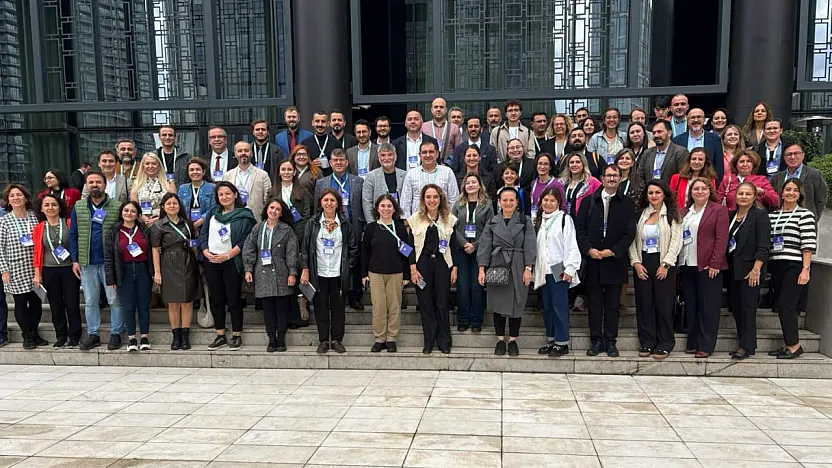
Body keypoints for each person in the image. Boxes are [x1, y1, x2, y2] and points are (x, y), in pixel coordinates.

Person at [575, 165, 636, 357]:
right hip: (593, 260)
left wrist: (613, 251)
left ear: (620, 179)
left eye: (615, 175)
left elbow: (629, 233)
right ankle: (596, 341)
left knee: (612, 305)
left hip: (614, 261)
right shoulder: (588, 202)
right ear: (601, 178)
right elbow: (580, 230)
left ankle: (610, 341)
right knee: (594, 303)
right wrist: (588, 249)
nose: (611, 178)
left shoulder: (627, 203)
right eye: (608, 175)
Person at [478, 186, 536, 356]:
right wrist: (482, 269)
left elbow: (530, 245)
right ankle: (500, 340)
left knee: (517, 304)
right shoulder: (493, 221)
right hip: (498, 265)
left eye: (512, 200)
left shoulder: (525, 221)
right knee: (498, 305)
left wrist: (528, 268)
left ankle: (513, 340)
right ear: (499, 202)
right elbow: (485, 246)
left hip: (518, 265)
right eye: (505, 200)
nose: (508, 203)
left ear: (517, 202)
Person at [198, 181, 256, 350]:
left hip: (232, 261)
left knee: (233, 299)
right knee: (216, 299)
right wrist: (206, 251)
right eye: (221, 194)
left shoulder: (244, 215)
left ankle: (237, 334)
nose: (224, 197)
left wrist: (228, 255)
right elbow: (203, 235)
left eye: (228, 194)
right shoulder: (212, 213)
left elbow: (247, 239)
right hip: (212, 261)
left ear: (235, 195)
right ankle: (220, 334)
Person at [628, 180, 683, 359]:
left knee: (663, 304)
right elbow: (632, 240)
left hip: (664, 264)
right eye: (650, 193)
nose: (653, 196)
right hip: (643, 262)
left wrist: (666, 263)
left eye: (657, 192)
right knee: (644, 304)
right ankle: (647, 342)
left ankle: (665, 342)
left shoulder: (672, 214)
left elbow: (676, 241)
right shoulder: (640, 215)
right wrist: (635, 262)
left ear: (664, 194)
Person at [301, 188, 359, 354]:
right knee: (320, 307)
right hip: (318, 272)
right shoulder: (313, 223)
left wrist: (348, 266)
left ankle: (337, 339)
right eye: (326, 200)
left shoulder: (345, 224)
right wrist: (305, 269)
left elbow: (353, 248)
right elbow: (305, 248)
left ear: (338, 204)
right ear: (321, 202)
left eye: (332, 200)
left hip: (338, 273)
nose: (329, 203)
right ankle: (323, 340)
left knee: (338, 307)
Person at [70, 170, 124, 350]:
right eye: (91, 182)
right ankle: (94, 334)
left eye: (98, 182)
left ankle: (116, 333)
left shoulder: (116, 206)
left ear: (105, 184)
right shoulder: (78, 206)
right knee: (91, 301)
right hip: (87, 262)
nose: (95, 185)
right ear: (86, 185)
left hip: (109, 262)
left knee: (114, 299)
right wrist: (75, 259)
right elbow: (73, 234)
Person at [678, 178, 729, 358]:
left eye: (703, 188)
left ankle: (706, 345)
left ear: (709, 191)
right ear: (691, 192)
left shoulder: (718, 210)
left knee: (708, 308)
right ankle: (693, 342)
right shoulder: (684, 212)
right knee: (691, 306)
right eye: (696, 189)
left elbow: (722, 239)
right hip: (687, 264)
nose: (699, 192)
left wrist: (715, 262)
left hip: (708, 266)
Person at [767, 179, 816, 359]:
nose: (791, 193)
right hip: (777, 265)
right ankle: (788, 344)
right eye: (788, 189)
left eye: (795, 190)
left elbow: (808, 244)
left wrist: (806, 269)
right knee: (782, 306)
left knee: (786, 306)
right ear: (781, 193)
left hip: (795, 266)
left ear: (800, 194)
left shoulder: (805, 215)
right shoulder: (773, 216)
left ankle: (795, 346)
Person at [243, 198, 299, 353]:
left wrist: (292, 272)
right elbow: (249, 248)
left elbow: (292, 253)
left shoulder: (287, 230)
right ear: (266, 209)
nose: (274, 211)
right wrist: (248, 268)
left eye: (278, 209)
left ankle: (281, 337)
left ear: (281, 213)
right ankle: (271, 338)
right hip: (262, 271)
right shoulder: (258, 228)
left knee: (281, 307)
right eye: (272, 208)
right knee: (267, 308)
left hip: (281, 271)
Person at [361, 194, 414, 352]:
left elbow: (406, 252)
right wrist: (364, 274)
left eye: (389, 206)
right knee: (378, 307)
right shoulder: (371, 228)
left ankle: (391, 338)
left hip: (396, 272)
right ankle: (379, 338)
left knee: (394, 306)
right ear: (377, 208)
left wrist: (406, 275)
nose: (386, 209)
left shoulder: (399, 227)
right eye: (383, 206)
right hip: (375, 273)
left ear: (394, 209)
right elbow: (365, 252)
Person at [314, 148, 366, 310]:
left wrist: (363, 226)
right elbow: (317, 206)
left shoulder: (358, 181)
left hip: (352, 224)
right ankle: (336, 296)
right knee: (334, 261)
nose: (338, 163)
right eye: (335, 160)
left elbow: (363, 206)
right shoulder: (321, 183)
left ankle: (355, 296)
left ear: (347, 162)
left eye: (341, 160)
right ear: (330, 163)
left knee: (354, 260)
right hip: (330, 227)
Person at [408, 184, 457, 354]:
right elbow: (409, 248)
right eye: (428, 197)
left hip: (443, 264)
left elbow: (454, 246)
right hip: (422, 265)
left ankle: (444, 341)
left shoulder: (449, 219)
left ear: (440, 198)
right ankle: (429, 340)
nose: (432, 200)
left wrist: (455, 267)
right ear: (423, 200)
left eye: (435, 197)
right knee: (425, 303)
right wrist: (413, 269)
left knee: (442, 302)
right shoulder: (415, 219)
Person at [533, 187, 581, 357]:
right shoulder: (537, 220)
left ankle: (562, 341)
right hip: (542, 269)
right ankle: (551, 339)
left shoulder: (564, 220)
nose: (548, 203)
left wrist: (570, 268)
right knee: (547, 307)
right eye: (545, 200)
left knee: (559, 306)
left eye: (552, 200)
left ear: (559, 203)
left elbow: (570, 244)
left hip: (558, 267)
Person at [727, 182, 771, 360]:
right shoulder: (731, 215)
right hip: (732, 270)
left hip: (750, 270)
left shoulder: (759, 216)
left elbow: (764, 245)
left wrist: (756, 269)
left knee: (748, 308)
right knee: (736, 308)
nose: (743, 197)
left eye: (747, 194)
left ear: (754, 197)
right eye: (740, 194)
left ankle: (746, 346)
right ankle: (745, 344)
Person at [151, 193, 200, 350]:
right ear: (164, 207)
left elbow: (194, 244)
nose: (172, 206)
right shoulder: (158, 226)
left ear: (180, 206)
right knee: (173, 303)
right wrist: (157, 272)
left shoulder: (187, 224)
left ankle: (185, 335)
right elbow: (155, 250)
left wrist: (198, 263)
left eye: (175, 203)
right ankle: (176, 335)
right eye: (169, 203)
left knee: (187, 302)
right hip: (168, 264)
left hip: (187, 262)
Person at [104, 201, 154, 352]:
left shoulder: (145, 230)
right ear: (121, 213)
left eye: (133, 211)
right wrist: (110, 277)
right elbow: (109, 256)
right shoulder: (114, 231)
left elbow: (152, 251)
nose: (129, 213)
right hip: (123, 271)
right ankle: (132, 338)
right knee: (128, 306)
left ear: (138, 214)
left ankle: (144, 336)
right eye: (126, 210)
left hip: (143, 270)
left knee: (144, 305)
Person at [270, 159, 314, 327]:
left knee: (298, 277)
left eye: (290, 169)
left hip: (298, 238)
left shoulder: (302, 191)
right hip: (277, 240)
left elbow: (306, 215)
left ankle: (300, 317)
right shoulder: (272, 191)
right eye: (284, 169)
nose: (287, 172)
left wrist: (294, 235)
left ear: (294, 172)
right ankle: (284, 316)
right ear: (279, 173)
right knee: (282, 277)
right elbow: (268, 214)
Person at [33, 194, 81, 348]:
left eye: (53, 204)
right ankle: (61, 335)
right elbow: (37, 252)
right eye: (46, 205)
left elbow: (76, 244)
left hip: (69, 269)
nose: (50, 208)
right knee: (55, 304)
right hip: (49, 270)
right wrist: (37, 273)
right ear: (42, 209)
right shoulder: (40, 227)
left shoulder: (68, 223)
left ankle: (74, 336)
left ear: (60, 207)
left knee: (72, 303)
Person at [0, 185, 44, 349]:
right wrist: (3, 269)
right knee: (20, 303)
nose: (16, 198)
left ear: (26, 197)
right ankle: (27, 335)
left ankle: (34, 332)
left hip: (34, 267)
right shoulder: (4, 221)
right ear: (8, 200)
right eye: (12, 195)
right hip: (14, 268)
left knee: (36, 302)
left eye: (19, 194)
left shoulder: (35, 217)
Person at [451, 174, 493, 333]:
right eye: (467, 182)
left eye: (473, 182)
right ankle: (463, 320)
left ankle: (476, 321)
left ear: (479, 185)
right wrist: (464, 244)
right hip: (461, 250)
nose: (470, 185)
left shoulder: (487, 205)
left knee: (477, 286)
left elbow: (490, 229)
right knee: (462, 286)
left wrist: (475, 245)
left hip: (480, 251)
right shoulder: (458, 204)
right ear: (464, 186)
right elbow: (452, 227)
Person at [400, 140, 460, 218]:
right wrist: (407, 223)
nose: (428, 155)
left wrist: (451, 221)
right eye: (424, 152)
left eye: (431, 152)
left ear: (437, 154)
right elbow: (405, 201)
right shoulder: (411, 174)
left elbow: (454, 199)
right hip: (418, 223)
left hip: (442, 222)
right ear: (419, 155)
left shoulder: (447, 172)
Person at [770, 143, 828, 222]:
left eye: (796, 153)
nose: (793, 157)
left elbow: (821, 200)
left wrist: (813, 220)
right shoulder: (777, 177)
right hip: (780, 221)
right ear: (784, 157)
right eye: (789, 154)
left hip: (805, 223)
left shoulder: (815, 175)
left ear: (803, 155)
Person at [222, 141, 272, 223]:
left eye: (246, 150)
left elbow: (268, 199)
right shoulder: (227, 176)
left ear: (251, 153)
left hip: (256, 219)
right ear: (235, 154)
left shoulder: (263, 175)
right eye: (240, 151)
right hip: (234, 219)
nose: (243, 153)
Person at [672, 108, 725, 182]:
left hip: (707, 185)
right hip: (683, 184)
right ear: (687, 121)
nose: (696, 120)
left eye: (699, 117)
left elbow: (719, 167)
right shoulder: (677, 140)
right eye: (692, 117)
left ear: (704, 120)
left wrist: (713, 187)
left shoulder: (715, 139)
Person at [362, 143, 407, 222]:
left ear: (395, 157)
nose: (387, 158)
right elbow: (367, 203)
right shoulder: (371, 177)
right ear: (378, 158)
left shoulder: (405, 175)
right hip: (378, 223)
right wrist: (372, 225)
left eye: (390, 155)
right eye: (383, 155)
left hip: (401, 222)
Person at [637, 120, 689, 185]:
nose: (656, 135)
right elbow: (640, 176)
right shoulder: (647, 153)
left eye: (659, 132)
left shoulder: (681, 152)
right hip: (650, 193)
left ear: (669, 133)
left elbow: (682, 179)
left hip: (670, 194)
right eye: (654, 133)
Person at [130, 152, 176, 225]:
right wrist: (143, 218)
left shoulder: (169, 183)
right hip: (143, 222)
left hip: (165, 222)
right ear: (143, 166)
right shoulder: (136, 183)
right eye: (147, 164)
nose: (150, 166)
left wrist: (159, 218)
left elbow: (174, 204)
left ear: (159, 166)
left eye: (154, 164)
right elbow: (134, 206)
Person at [177, 158, 216, 233]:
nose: (195, 172)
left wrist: (201, 220)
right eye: (191, 170)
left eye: (198, 169)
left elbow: (213, 208)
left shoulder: (212, 187)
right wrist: (189, 224)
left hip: (207, 225)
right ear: (188, 173)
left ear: (203, 172)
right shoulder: (183, 188)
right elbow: (180, 208)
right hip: (187, 226)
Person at [559, 152, 602, 219]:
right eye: (571, 162)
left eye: (578, 162)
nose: (574, 165)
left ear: (583, 164)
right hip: (563, 220)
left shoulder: (592, 182)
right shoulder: (562, 183)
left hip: (583, 220)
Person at [300, 110, 340, 176]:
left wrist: (328, 163)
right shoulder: (305, 143)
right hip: (312, 181)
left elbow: (341, 163)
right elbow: (300, 164)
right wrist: (311, 165)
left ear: (328, 123)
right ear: (313, 123)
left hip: (331, 181)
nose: (320, 124)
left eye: (323, 121)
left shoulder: (336, 143)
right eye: (317, 121)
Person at [422, 97, 462, 163]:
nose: (438, 109)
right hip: (428, 166)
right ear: (432, 110)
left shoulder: (454, 128)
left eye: (441, 107)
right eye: (436, 107)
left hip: (448, 167)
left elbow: (459, 151)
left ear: (446, 110)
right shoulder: (424, 127)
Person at [529, 153, 565, 219]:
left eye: (546, 164)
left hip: (552, 221)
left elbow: (563, 206)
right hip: (536, 219)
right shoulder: (533, 183)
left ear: (550, 167)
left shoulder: (557, 184)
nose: (542, 167)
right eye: (540, 163)